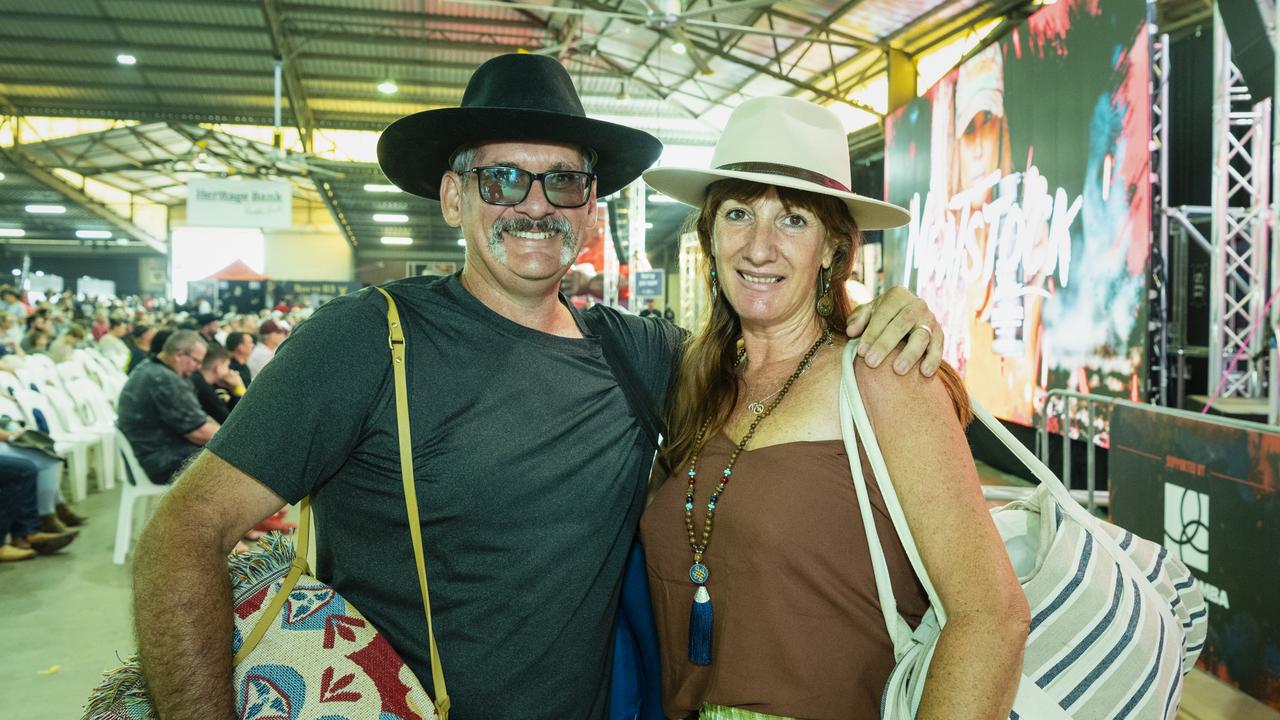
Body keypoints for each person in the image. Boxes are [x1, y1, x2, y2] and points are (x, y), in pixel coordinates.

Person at [130, 54, 945, 720]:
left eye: (563, 182)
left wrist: (890, 325)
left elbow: (784, 359)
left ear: (591, 210)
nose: (534, 205)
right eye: (501, 180)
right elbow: (181, 538)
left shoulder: (644, 355)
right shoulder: (365, 342)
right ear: (453, 196)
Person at [639, 97, 1028, 720]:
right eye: (739, 213)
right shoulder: (696, 381)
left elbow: (992, 616)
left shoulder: (883, 373)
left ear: (831, 248)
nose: (760, 247)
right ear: (710, 236)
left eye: (792, 220)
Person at [116, 330, 219, 484]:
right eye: (196, 361)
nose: (198, 367)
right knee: (233, 461)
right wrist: (235, 441)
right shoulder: (163, 379)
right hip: (159, 462)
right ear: (179, 355)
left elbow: (199, 419)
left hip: (155, 454)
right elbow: (198, 431)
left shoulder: (150, 367)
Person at [190, 343, 244, 424]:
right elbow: (230, 422)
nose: (229, 371)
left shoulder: (197, 379)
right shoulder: (204, 388)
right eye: (227, 366)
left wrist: (232, 390)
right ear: (218, 368)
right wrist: (239, 387)